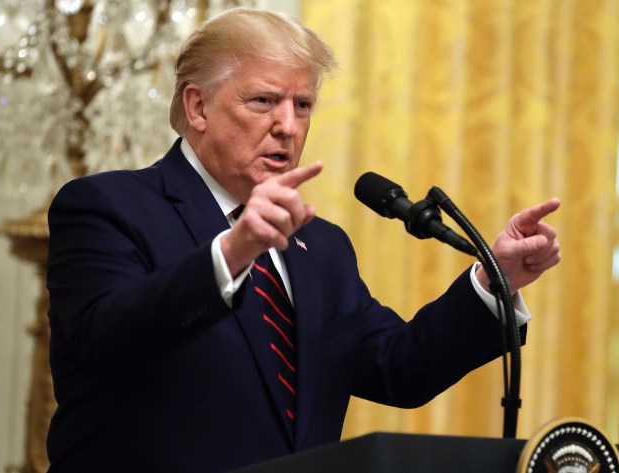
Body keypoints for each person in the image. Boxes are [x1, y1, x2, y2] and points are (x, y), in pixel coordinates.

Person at [45, 7, 561, 473]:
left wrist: (495, 281)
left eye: (303, 104)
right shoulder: (107, 207)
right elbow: (108, 339)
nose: (288, 126)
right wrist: (232, 252)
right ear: (198, 107)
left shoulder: (322, 247)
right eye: (264, 101)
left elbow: (400, 369)